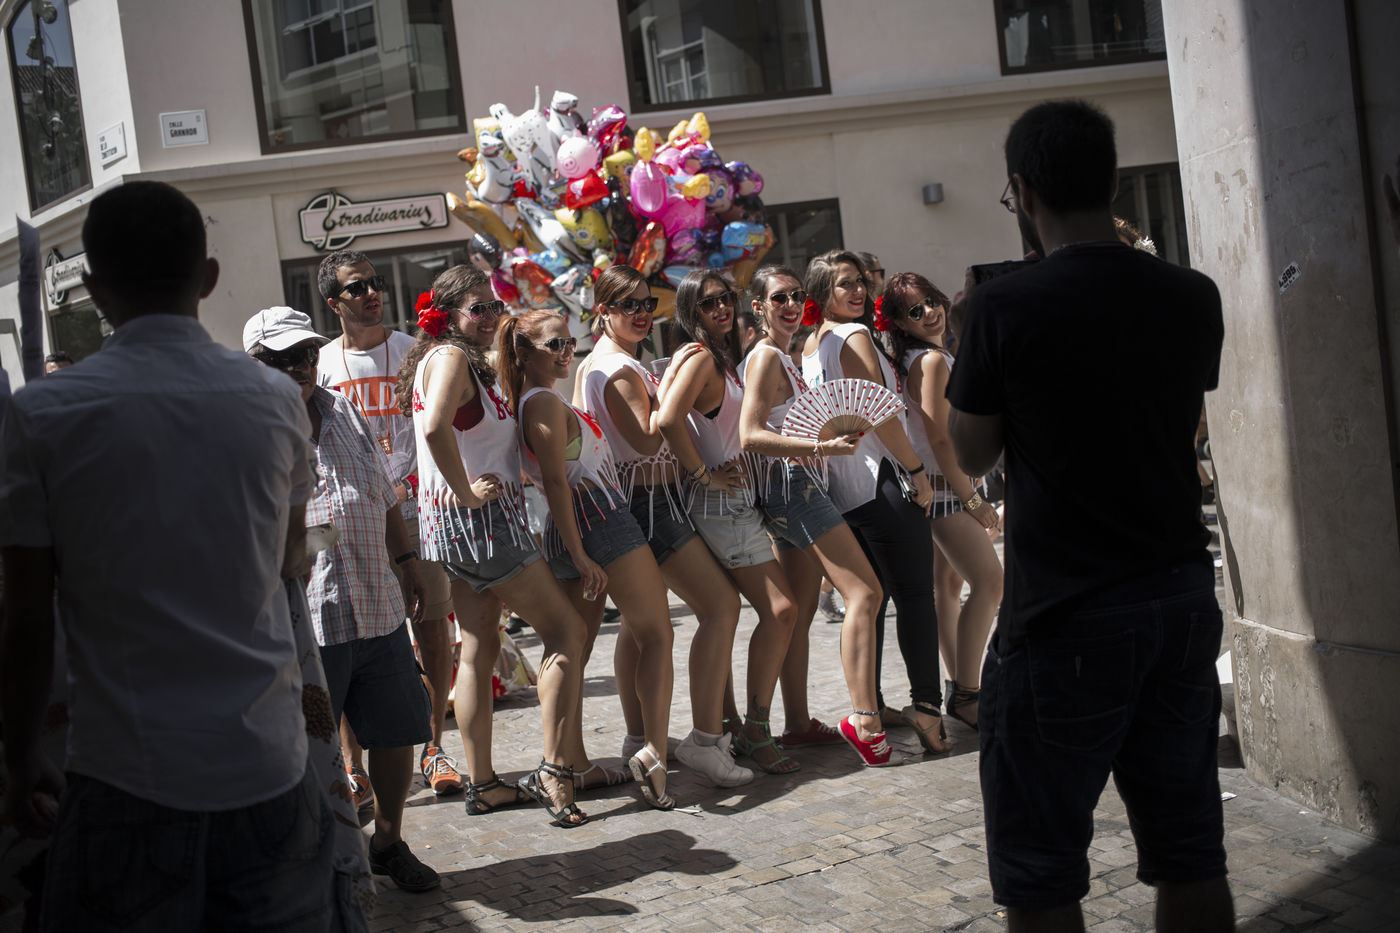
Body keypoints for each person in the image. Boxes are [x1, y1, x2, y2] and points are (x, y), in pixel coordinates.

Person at [0, 180, 335, 929]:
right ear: (208, 276)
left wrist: (19, 756)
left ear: (94, 289)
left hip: (127, 771)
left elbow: (23, 617)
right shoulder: (276, 399)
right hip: (265, 761)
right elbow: (290, 556)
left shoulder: (43, 412)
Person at [948, 99, 1230, 932]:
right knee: (1191, 852)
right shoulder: (1192, 294)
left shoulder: (1004, 307)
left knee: (1041, 875)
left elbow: (972, 453)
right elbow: (1182, 421)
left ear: (1025, 190)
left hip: (1065, 610)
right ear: (1110, 182)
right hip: (1179, 591)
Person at [245, 306, 439, 894]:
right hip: (306, 621)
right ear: (255, 364)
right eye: (284, 358)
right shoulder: (245, 431)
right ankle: (319, 858)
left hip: (377, 603)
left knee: (398, 729)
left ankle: (388, 842)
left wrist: (407, 562)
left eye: (307, 353)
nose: (301, 366)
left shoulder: (343, 409)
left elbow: (382, 494)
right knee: (310, 748)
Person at [397, 265, 591, 827]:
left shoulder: (444, 360)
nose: (489, 316)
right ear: (448, 316)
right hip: (481, 525)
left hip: (451, 530)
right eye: (477, 308)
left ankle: (483, 784)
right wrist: (467, 491)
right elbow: (434, 428)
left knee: (478, 647)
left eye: (494, 305)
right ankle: (555, 771)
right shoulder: (451, 360)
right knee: (567, 632)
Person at [574, 265, 753, 788]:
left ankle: (639, 739)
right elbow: (651, 438)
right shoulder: (618, 370)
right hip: (650, 504)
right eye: (627, 305)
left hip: (636, 501)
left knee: (639, 627)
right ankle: (705, 739)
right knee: (720, 606)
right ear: (602, 311)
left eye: (646, 304)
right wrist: (675, 381)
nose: (640, 314)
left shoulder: (600, 363)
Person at [499, 309, 676, 810]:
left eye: (568, 342)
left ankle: (568, 764)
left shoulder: (542, 398)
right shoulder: (540, 402)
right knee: (656, 634)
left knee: (571, 647)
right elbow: (555, 480)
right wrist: (579, 553)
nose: (566, 352)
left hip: (577, 525)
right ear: (523, 352)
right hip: (596, 521)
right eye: (554, 344)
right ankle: (652, 756)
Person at [315, 249, 463, 798]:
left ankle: (435, 747)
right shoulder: (322, 364)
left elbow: (436, 428)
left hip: (418, 511)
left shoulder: (412, 352)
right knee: (351, 640)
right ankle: (353, 767)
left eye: (374, 282)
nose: (371, 293)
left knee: (432, 629)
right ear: (333, 301)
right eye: (356, 288)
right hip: (353, 523)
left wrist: (408, 486)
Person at [739, 265, 898, 766]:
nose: (790, 304)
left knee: (802, 611)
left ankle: (794, 723)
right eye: (778, 297)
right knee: (865, 593)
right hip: (794, 486)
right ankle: (864, 720)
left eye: (796, 295)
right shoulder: (766, 357)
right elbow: (750, 435)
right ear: (758, 307)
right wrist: (821, 446)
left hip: (793, 486)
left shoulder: (781, 356)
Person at [800, 250, 948, 753]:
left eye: (860, 281)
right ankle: (928, 709)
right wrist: (916, 471)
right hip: (882, 481)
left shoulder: (811, 344)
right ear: (822, 293)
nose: (858, 290)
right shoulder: (853, 335)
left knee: (875, 600)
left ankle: (875, 705)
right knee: (915, 597)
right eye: (845, 283)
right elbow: (881, 412)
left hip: (843, 491)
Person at [658, 269, 801, 776]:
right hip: (723, 504)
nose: (721, 308)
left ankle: (730, 726)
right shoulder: (701, 357)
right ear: (690, 312)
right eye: (707, 303)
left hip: (733, 502)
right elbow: (666, 419)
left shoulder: (716, 356)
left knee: (725, 613)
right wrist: (705, 474)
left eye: (726, 298)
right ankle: (753, 731)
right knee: (781, 610)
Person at [879, 273, 1003, 729]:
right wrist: (973, 501)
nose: (930, 312)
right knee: (990, 583)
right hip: (948, 492)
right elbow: (940, 437)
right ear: (898, 323)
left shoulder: (917, 358)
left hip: (937, 488)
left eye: (932, 300)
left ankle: (959, 686)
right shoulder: (930, 361)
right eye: (916, 310)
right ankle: (968, 692)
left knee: (948, 587)